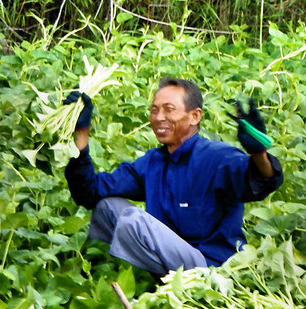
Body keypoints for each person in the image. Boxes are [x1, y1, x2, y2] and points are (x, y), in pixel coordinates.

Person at [61, 78, 282, 276]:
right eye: (154, 110)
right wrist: (81, 133)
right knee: (107, 207)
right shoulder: (152, 163)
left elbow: (262, 181)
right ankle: (158, 278)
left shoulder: (217, 157)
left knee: (133, 220)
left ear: (195, 116)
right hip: (171, 260)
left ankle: (167, 279)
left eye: (169, 110)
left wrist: (258, 153)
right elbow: (88, 193)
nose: (159, 118)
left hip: (211, 267)